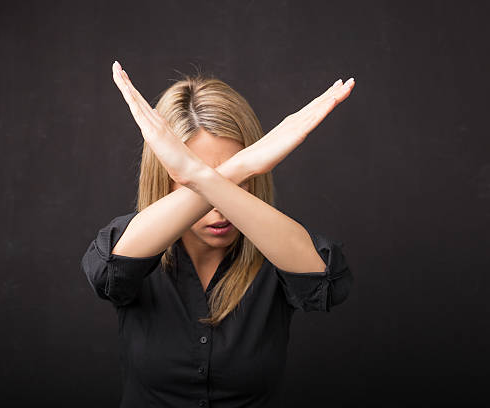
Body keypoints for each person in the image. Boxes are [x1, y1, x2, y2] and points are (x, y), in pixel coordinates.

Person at [81, 61, 356, 407]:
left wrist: (201, 177)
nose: (219, 209)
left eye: (238, 178)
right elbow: (105, 270)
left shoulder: (276, 250)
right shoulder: (138, 245)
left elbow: (327, 282)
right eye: (190, 178)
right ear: (163, 177)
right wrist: (238, 168)